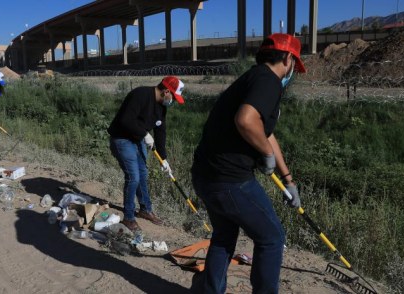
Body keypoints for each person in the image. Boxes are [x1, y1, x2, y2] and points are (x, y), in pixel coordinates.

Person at [190, 33, 306, 294]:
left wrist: (288, 179)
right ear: (288, 58)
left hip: (206, 175)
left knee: (223, 236)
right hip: (229, 180)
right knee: (272, 238)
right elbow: (246, 120)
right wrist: (264, 153)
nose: (292, 72)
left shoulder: (252, 78)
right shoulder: (269, 81)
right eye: (294, 65)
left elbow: (264, 131)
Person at [107, 76, 185, 231]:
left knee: (143, 173)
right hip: (121, 139)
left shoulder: (161, 107)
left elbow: (161, 132)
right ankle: (129, 218)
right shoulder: (140, 94)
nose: (173, 101)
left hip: (137, 140)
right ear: (166, 91)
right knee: (133, 176)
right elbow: (125, 120)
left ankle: (145, 209)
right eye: (173, 98)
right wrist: (144, 134)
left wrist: (164, 159)